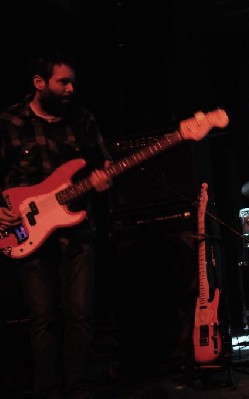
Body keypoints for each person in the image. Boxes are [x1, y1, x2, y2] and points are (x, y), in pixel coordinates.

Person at [0, 51, 113, 399]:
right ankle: (47, 392)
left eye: (72, 81)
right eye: (62, 82)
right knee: (44, 319)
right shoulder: (9, 121)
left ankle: (79, 389)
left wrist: (104, 179)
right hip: (26, 232)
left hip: (78, 232)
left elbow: (103, 163)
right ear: (39, 83)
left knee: (80, 315)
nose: (70, 88)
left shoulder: (82, 120)